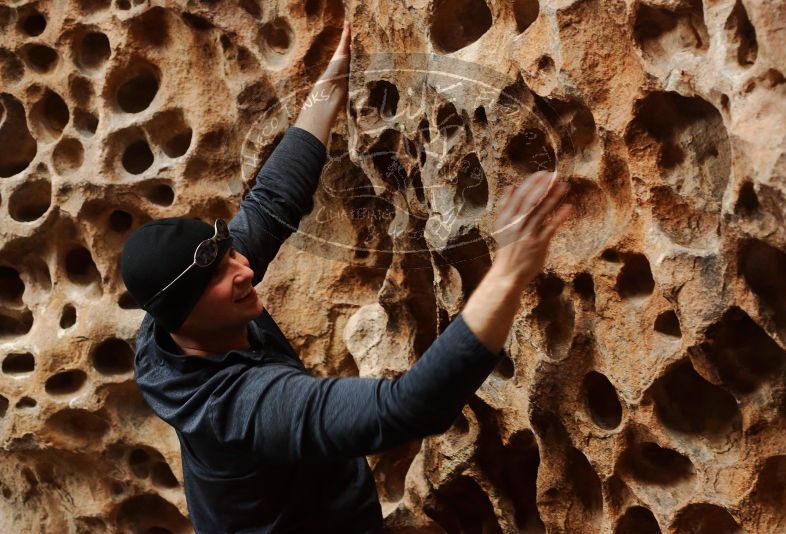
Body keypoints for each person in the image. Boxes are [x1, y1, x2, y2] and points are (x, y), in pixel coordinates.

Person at [120, 20, 572, 533]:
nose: (244, 268)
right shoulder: (243, 412)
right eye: (220, 275)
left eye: (230, 253)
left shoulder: (184, 318)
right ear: (187, 314)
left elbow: (271, 203)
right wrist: (510, 270)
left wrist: (331, 85)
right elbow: (408, 409)